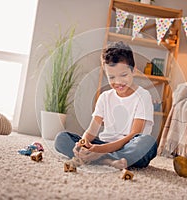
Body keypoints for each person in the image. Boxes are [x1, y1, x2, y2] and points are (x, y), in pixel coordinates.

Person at [55, 41, 157, 169]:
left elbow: (134, 135)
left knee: (148, 143)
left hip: (127, 145)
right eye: (111, 77)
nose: (118, 82)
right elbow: (91, 131)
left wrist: (101, 150)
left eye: (123, 75)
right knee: (62, 138)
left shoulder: (143, 96)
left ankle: (99, 158)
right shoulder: (105, 97)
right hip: (104, 144)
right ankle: (108, 161)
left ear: (134, 71)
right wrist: (83, 143)